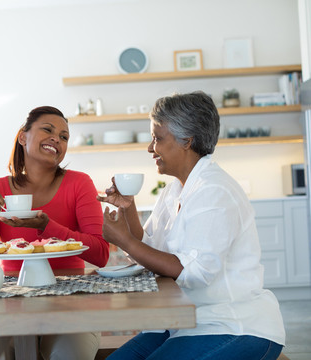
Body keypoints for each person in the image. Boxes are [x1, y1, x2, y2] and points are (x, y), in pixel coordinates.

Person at [98, 91, 285, 360]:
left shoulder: (214, 192)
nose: (151, 148)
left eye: (157, 138)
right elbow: (150, 249)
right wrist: (128, 210)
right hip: (182, 322)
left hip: (231, 325)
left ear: (187, 140)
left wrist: (124, 240)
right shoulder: (175, 189)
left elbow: (194, 272)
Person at [0, 105, 110, 360]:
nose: (57, 138)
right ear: (23, 137)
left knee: (69, 356)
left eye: (64, 137)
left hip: (71, 300)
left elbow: (100, 254)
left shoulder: (79, 183)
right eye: (48, 130)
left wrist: (47, 226)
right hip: (10, 300)